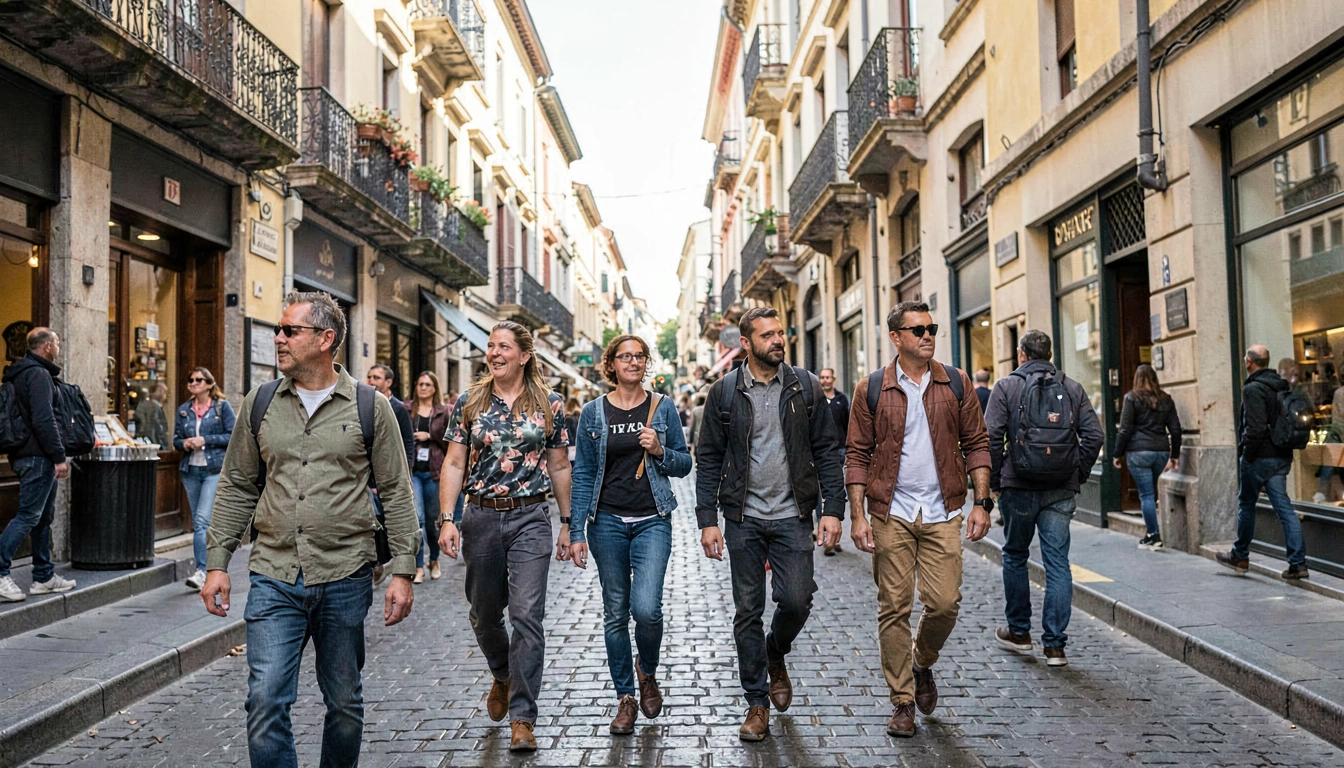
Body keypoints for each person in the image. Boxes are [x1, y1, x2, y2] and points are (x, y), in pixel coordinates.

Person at [201, 291, 419, 768]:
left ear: (325, 339)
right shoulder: (260, 402)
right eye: (278, 330)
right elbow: (237, 485)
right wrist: (216, 564)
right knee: (264, 701)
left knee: (344, 704)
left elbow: (396, 490)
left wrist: (403, 570)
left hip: (345, 574)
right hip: (274, 574)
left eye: (289, 331)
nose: (278, 338)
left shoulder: (370, 406)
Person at [694, 307, 845, 742]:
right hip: (742, 517)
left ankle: (774, 651)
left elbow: (826, 450)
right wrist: (708, 520)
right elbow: (709, 458)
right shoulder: (725, 392)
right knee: (748, 610)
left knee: (797, 599)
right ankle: (756, 703)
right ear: (745, 343)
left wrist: (832, 509)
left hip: (793, 514)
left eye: (780, 333)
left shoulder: (805, 386)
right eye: (767, 335)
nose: (778, 340)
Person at [845, 301, 991, 738]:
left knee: (945, 603)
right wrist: (858, 516)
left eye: (932, 328)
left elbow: (977, 443)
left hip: (943, 509)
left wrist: (981, 502)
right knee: (894, 607)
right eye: (918, 330)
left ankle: (922, 661)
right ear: (896, 338)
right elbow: (857, 454)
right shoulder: (871, 388)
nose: (928, 336)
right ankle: (902, 701)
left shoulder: (956, 382)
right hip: (891, 511)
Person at [436, 322, 572, 753]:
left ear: (524, 355)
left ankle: (523, 718)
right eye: (491, 346)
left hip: (531, 517)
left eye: (504, 347)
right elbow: (454, 463)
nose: (494, 353)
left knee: (527, 616)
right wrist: (447, 518)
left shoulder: (550, 403)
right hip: (480, 517)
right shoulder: (470, 402)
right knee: (483, 614)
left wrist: (568, 522)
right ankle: (502, 672)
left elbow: (560, 465)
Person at [565, 334, 693, 735]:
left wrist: (660, 451)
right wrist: (575, 530)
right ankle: (626, 697)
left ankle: (647, 670)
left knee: (647, 609)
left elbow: (685, 463)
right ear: (612, 364)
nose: (633, 362)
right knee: (615, 613)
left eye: (639, 356)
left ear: (645, 363)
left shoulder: (662, 407)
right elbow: (583, 473)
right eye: (625, 356)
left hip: (653, 519)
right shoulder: (593, 412)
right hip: (606, 523)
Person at [985, 329, 1103, 670]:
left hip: (1018, 486)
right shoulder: (1072, 387)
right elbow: (1094, 435)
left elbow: (990, 436)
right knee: (1058, 562)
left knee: (1015, 555)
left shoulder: (1006, 387)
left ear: (1021, 355)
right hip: (1060, 489)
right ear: (1049, 354)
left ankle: (1019, 632)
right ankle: (1055, 646)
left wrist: (994, 482)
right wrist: (1077, 473)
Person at [1218, 345, 1310, 579]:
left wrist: (1246, 456)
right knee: (1285, 509)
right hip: (1281, 456)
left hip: (1259, 458)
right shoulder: (1281, 384)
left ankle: (1240, 555)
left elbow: (1255, 429)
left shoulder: (1253, 388)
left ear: (1249, 362)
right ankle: (1298, 563)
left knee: (1246, 504)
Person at [0, 328, 76, 602]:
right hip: (38, 456)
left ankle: (43, 576)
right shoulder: (38, 374)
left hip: (25, 454)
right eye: (57, 342)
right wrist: (58, 456)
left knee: (42, 517)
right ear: (46, 347)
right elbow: (44, 419)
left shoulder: (20, 373)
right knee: (29, 516)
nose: (58, 346)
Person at [173, 367, 236, 591]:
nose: (193, 383)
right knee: (200, 523)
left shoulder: (221, 407)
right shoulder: (184, 410)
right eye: (190, 380)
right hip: (190, 470)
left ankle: (202, 571)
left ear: (209, 384)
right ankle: (212, 565)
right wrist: (185, 443)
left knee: (201, 521)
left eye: (198, 380)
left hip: (213, 470)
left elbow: (232, 435)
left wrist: (205, 440)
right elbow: (176, 439)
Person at [1112, 364, 1181, 551]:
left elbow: (1125, 429)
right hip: (1161, 452)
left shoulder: (1131, 398)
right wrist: (1174, 455)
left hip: (1139, 452)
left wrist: (1117, 453)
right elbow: (1175, 429)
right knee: (1153, 494)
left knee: (1146, 495)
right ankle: (1152, 533)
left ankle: (1153, 535)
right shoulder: (1166, 399)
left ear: (1137, 379)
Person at [366, 363, 415, 584]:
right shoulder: (363, 405)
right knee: (374, 519)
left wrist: (406, 475)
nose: (371, 381)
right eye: (369, 377)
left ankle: (400, 561)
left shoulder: (398, 408)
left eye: (376, 377)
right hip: (369, 479)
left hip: (391, 476)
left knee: (394, 519)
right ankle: (376, 563)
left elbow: (407, 444)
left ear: (389, 382)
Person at [410, 371, 452, 583]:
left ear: (435, 388)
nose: (423, 388)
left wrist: (431, 436)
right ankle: (418, 567)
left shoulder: (444, 412)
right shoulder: (407, 410)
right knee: (417, 519)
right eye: (420, 384)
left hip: (434, 472)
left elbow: (451, 442)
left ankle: (434, 560)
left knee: (432, 522)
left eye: (427, 384)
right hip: (412, 472)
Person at [817, 368, 850, 555]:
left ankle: (835, 536)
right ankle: (824, 537)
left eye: (828, 377)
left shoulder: (841, 400)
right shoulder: (816, 399)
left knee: (837, 490)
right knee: (821, 494)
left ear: (834, 379)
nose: (825, 380)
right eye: (822, 377)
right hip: (820, 452)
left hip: (839, 449)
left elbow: (847, 424)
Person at [134, 380, 170, 447]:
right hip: (153, 446)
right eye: (162, 391)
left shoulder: (153, 407)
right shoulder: (153, 408)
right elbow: (154, 430)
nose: (164, 394)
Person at [687, 392, 706, 460]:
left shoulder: (695, 411)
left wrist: (689, 441)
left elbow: (692, 426)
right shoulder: (708, 409)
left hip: (697, 438)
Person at [564, 396, 582, 465]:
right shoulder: (581, 417)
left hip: (571, 448)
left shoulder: (568, 419)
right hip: (581, 447)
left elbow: (568, 434)